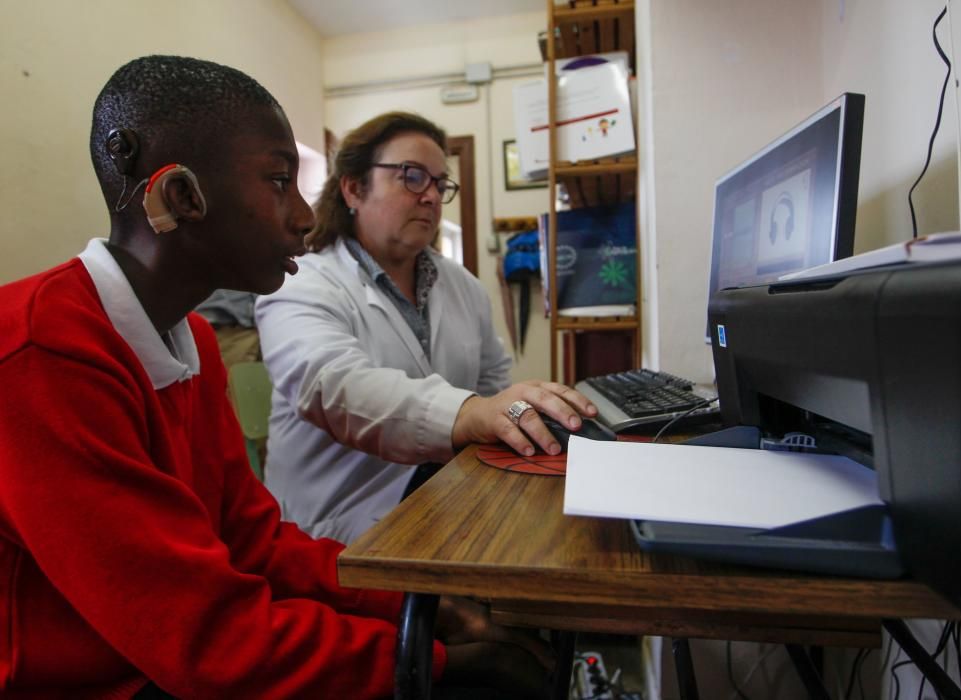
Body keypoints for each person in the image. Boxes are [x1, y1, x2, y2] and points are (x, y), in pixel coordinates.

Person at [0, 56, 551, 699]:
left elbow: (250, 541)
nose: (302, 218)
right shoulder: (43, 353)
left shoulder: (193, 339)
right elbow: (201, 643)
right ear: (181, 197)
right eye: (277, 181)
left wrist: (406, 605)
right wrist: (422, 657)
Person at [255, 112, 598, 545]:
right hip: (334, 525)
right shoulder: (301, 282)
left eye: (440, 183)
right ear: (354, 187)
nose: (432, 196)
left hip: (441, 501)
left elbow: (493, 384)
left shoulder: (463, 286)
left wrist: (512, 415)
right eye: (412, 177)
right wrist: (471, 414)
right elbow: (333, 387)